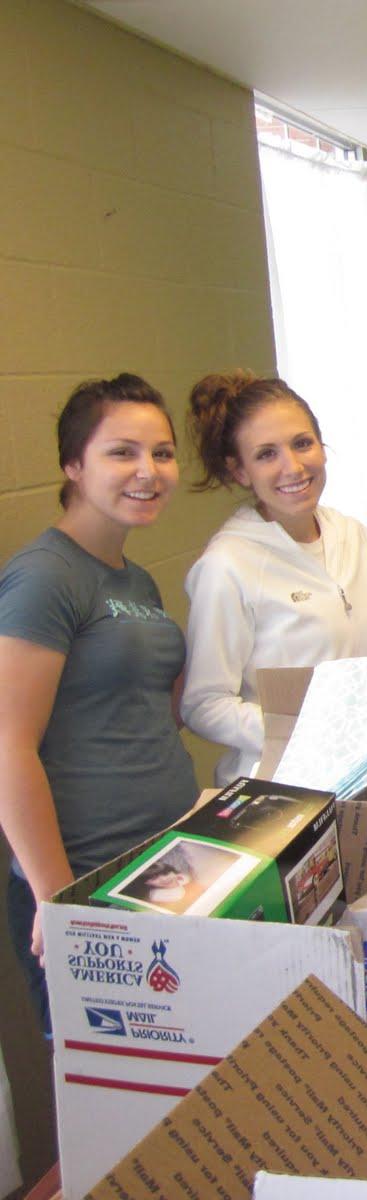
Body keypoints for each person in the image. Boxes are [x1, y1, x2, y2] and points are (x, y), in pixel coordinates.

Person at [0, 375, 199, 1031]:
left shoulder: (134, 579)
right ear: (72, 466)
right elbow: (9, 745)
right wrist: (57, 900)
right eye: (122, 453)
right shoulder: (45, 577)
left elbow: (136, 715)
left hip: (159, 869)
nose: (148, 472)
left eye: (162, 453)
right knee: (111, 1106)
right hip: (86, 882)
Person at [181, 371, 367, 785]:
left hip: (363, 770)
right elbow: (204, 706)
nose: (293, 467)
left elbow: (357, 656)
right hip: (283, 787)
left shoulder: (353, 535)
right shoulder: (227, 565)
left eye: (302, 443)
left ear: (322, 446)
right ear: (240, 471)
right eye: (266, 454)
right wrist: (304, 725)